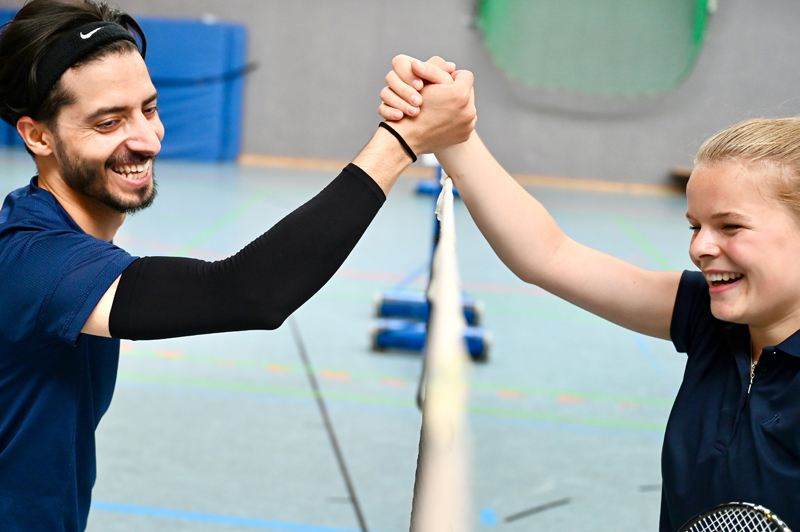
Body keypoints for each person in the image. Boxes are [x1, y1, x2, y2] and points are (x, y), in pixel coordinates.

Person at [0, 1, 476, 529]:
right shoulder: (33, 261)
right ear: (38, 136)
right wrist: (400, 142)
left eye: (149, 110)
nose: (147, 139)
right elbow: (248, 291)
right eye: (109, 122)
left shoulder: (50, 234)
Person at [380, 55, 800, 530]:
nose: (699, 248)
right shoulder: (708, 317)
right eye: (695, 226)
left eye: (731, 226)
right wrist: (452, 132)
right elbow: (550, 256)